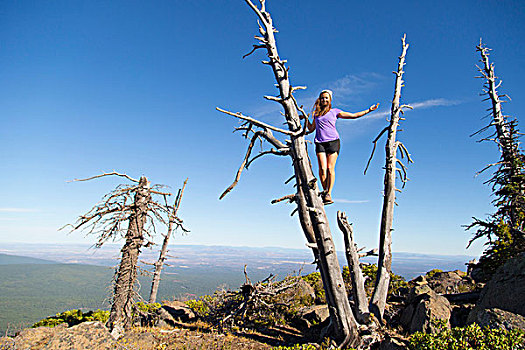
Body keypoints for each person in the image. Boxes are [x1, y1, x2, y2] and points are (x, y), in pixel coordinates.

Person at [303, 90, 379, 205]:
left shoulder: (335, 112)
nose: (324, 100)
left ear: (330, 100)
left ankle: (328, 192)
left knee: (329, 168)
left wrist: (368, 110)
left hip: (333, 142)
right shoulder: (316, 114)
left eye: (326, 98)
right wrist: (305, 118)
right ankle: (325, 192)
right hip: (320, 143)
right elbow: (311, 128)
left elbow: (353, 116)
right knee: (322, 169)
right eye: (322, 98)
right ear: (320, 99)